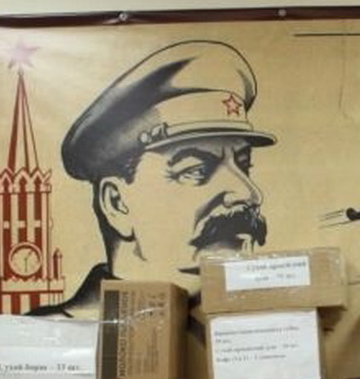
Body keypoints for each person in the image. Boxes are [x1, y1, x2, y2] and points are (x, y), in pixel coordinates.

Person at [30, 40, 276, 316]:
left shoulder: (251, 330)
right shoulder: (51, 335)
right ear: (117, 203)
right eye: (196, 170)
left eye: (244, 166)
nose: (248, 193)